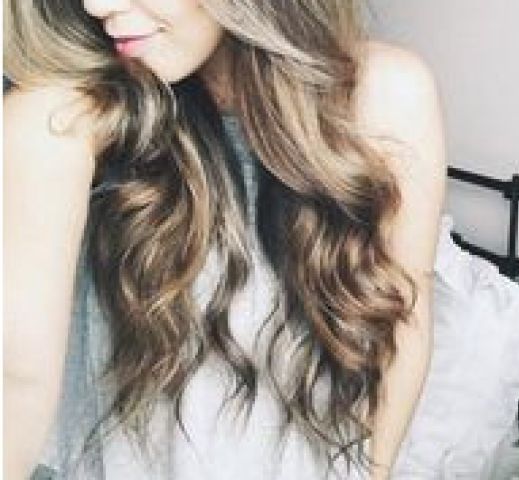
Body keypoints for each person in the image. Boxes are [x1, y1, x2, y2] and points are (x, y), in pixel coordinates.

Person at [3, 1, 446, 478]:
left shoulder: (385, 93)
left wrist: (372, 472)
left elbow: (405, 324)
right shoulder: (65, 115)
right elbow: (16, 379)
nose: (96, 5)